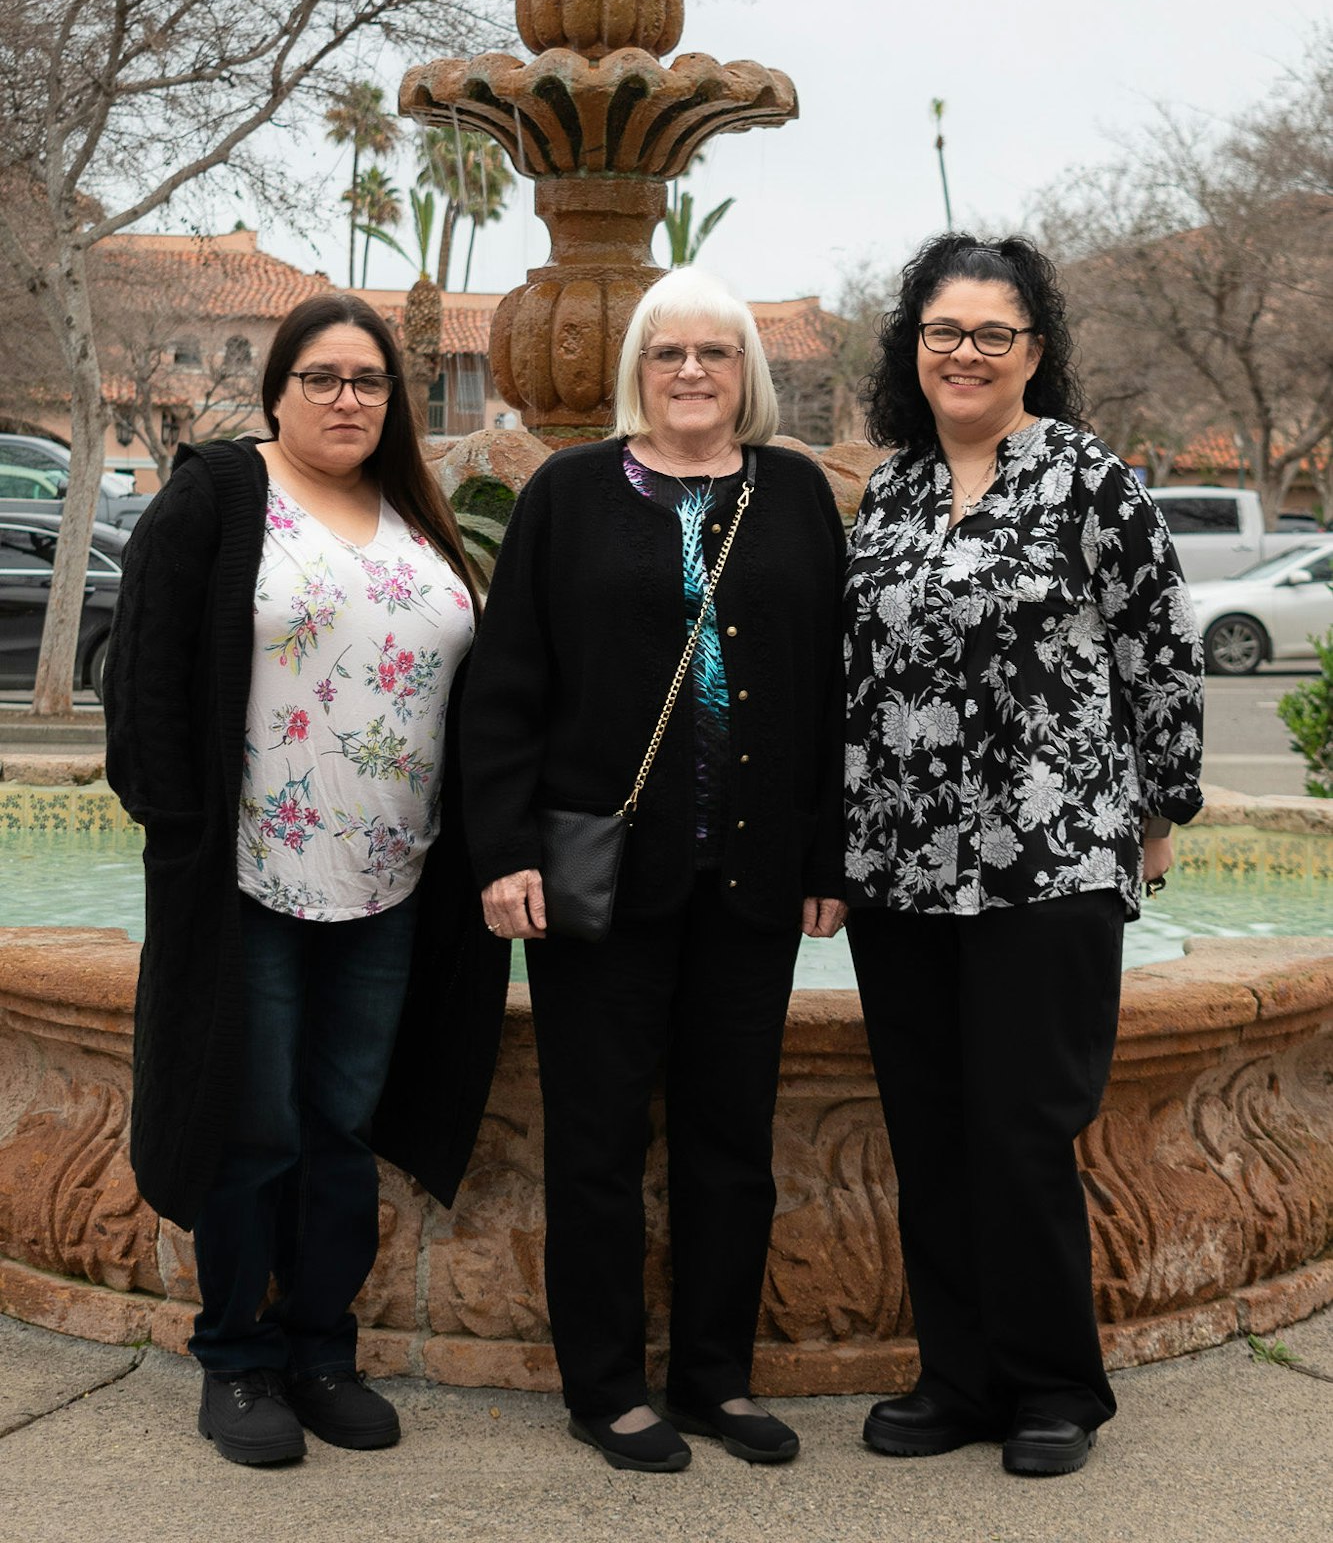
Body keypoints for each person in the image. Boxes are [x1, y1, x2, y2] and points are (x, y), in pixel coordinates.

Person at [105, 292, 507, 1468]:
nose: (348, 398)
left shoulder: (414, 514)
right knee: (255, 1120)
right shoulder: (224, 494)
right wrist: (177, 830)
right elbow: (146, 675)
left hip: (393, 876)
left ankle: (322, 1347)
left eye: (370, 380)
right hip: (249, 873)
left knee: (341, 1121)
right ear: (278, 388)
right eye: (324, 376)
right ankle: (236, 1357)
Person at [461, 266, 846, 1475]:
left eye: (715, 354)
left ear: (748, 373)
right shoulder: (570, 493)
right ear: (637, 364)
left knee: (732, 1135)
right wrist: (505, 849)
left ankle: (716, 1379)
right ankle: (609, 1386)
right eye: (669, 352)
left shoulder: (791, 493)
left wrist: (827, 851)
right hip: (600, 880)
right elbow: (505, 684)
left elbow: (832, 692)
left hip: (751, 878)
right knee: (596, 1135)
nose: (692, 372)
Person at [844, 232, 1204, 1478]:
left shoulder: (1086, 480)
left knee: (1018, 1124)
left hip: (1045, 857)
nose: (965, 353)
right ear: (915, 347)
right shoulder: (885, 494)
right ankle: (958, 1377)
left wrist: (1162, 808)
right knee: (930, 1128)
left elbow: (1158, 647)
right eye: (943, 331)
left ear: (1033, 352)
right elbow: (856, 677)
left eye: (993, 332)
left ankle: (1054, 1384)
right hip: (898, 864)